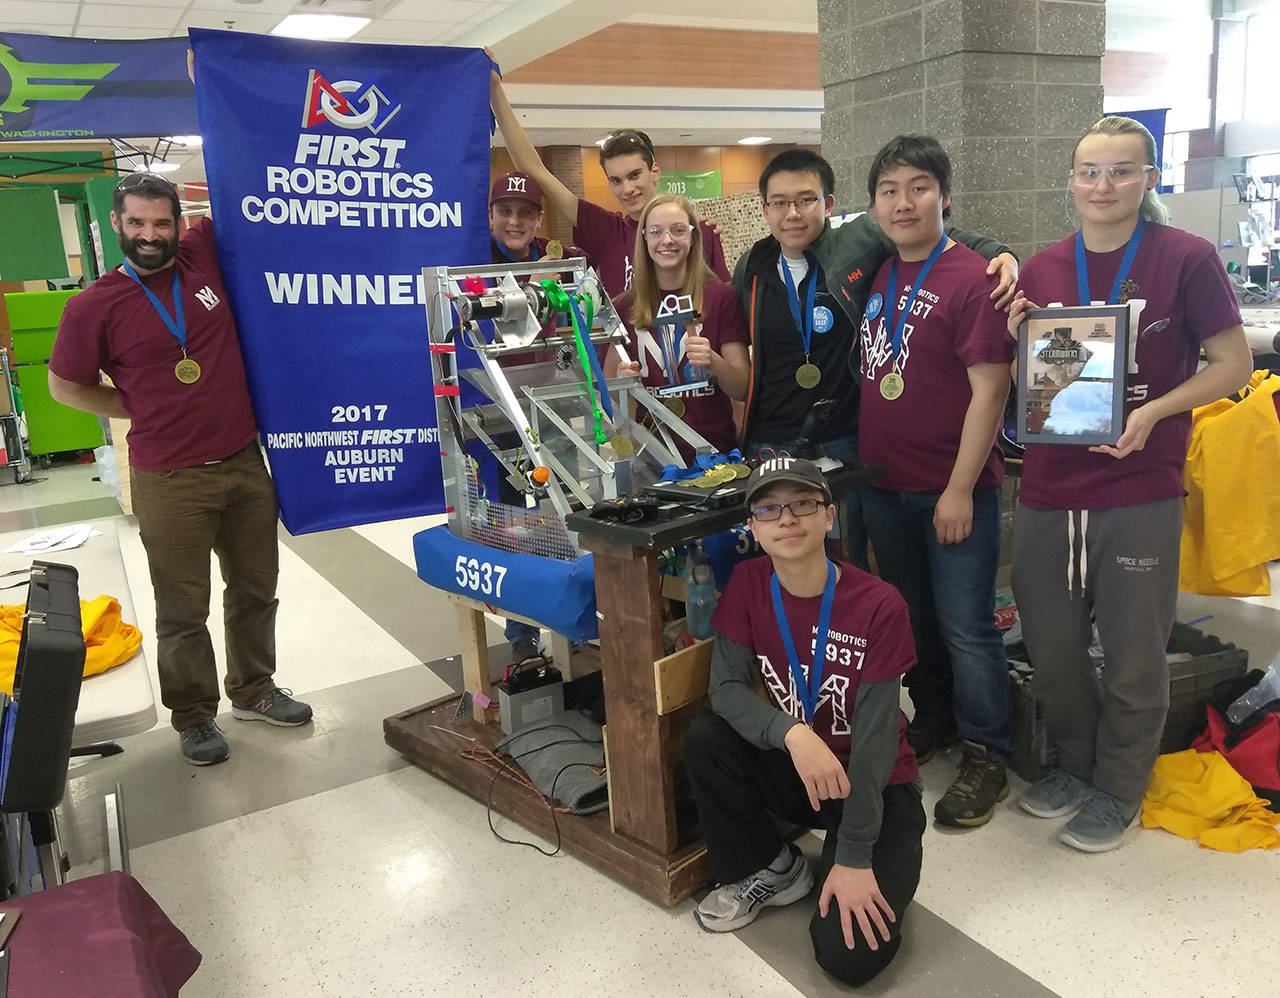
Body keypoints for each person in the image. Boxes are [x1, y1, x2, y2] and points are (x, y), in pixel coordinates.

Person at [1007, 116, 1251, 852]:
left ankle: (1118, 788)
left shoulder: (1187, 257)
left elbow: (1233, 364)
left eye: (1121, 171)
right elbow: (1038, 381)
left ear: (1149, 180)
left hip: (1139, 486)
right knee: (1051, 650)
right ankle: (1078, 769)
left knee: (1133, 653)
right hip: (1051, 488)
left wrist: (1153, 415)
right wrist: (1022, 336)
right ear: (1071, 182)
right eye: (1089, 171)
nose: (1103, 185)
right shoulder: (1045, 269)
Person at [48, 172, 312, 766]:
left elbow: (239, 175)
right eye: (137, 223)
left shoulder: (199, 260)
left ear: (177, 225)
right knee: (182, 608)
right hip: (169, 478)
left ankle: (254, 690)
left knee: (255, 590)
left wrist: (217, 81)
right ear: (116, 224)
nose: (150, 235)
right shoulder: (94, 306)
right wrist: (131, 404)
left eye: (162, 223)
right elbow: (64, 386)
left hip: (245, 464)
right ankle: (194, 716)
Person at [684, 456, 925, 987]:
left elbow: (879, 739)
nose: (786, 519)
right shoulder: (749, 584)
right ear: (753, 526)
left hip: (876, 785)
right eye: (768, 509)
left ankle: (854, 850)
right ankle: (774, 868)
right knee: (708, 740)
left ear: (829, 517)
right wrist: (794, 734)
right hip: (803, 769)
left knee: (848, 959)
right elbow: (723, 689)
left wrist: (857, 855)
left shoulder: (879, 605)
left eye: (802, 504)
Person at [732, 148, 1018, 572]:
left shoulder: (861, 241)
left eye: (806, 200)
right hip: (771, 437)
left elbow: (941, 235)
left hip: (845, 436)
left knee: (852, 563)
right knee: (783, 560)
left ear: (827, 204)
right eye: (779, 203)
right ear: (765, 210)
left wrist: (1002, 254)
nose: (793, 213)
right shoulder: (752, 266)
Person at [857, 135, 1015, 829]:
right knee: (915, 623)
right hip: (885, 489)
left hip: (953, 490)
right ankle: (940, 722)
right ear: (873, 206)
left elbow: (992, 391)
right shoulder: (877, 274)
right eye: (889, 190)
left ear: (945, 196)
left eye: (918, 186)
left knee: (967, 627)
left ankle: (988, 751)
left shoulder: (973, 277)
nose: (903, 202)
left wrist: (958, 488)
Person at [489, 63, 730, 297]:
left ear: (654, 171)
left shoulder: (697, 232)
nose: (627, 189)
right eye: (616, 180)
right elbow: (534, 169)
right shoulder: (606, 231)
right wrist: (495, 90)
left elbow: (725, 305)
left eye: (634, 175)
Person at [486, 169, 590, 664]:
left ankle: (572, 614)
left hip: (556, 408)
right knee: (513, 523)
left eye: (525, 212)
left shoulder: (557, 261)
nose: (515, 221)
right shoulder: (473, 264)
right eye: (504, 211)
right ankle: (521, 629)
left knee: (567, 511)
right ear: (490, 216)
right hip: (496, 412)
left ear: (538, 218)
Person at [605, 194, 749, 455]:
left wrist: (714, 363)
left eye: (678, 230)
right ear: (644, 239)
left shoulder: (721, 297)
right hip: (651, 454)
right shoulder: (625, 306)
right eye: (656, 231)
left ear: (693, 237)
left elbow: (741, 388)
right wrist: (621, 382)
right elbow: (609, 393)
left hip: (714, 450)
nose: (667, 240)